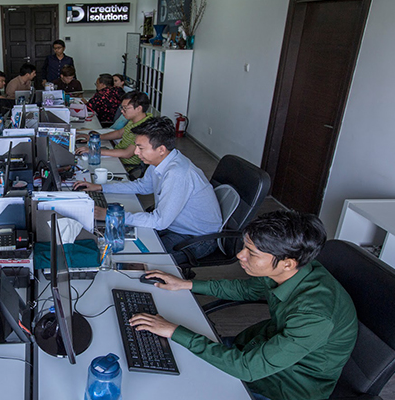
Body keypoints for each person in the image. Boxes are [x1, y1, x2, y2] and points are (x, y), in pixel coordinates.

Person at [129, 210, 358, 400]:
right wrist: (186, 284)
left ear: (287, 263)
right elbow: (247, 289)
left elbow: (247, 369)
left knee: (167, 386)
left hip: (281, 386)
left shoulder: (316, 315)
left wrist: (173, 330)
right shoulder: (295, 269)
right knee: (166, 355)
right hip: (252, 347)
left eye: (251, 253)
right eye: (244, 247)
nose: (240, 255)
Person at [73, 117, 222, 262]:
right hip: (174, 225)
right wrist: (101, 187)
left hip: (196, 237)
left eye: (141, 148)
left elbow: (160, 221)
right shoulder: (161, 161)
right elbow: (142, 186)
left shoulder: (177, 173)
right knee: (116, 240)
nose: (136, 152)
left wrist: (110, 215)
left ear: (161, 149)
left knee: (136, 258)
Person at [76, 91, 151, 176]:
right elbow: (119, 133)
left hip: (125, 166)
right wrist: (96, 137)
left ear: (138, 109)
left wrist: (94, 151)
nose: (122, 111)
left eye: (125, 108)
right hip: (117, 158)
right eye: (122, 108)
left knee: (86, 168)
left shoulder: (144, 128)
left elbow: (127, 153)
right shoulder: (135, 120)